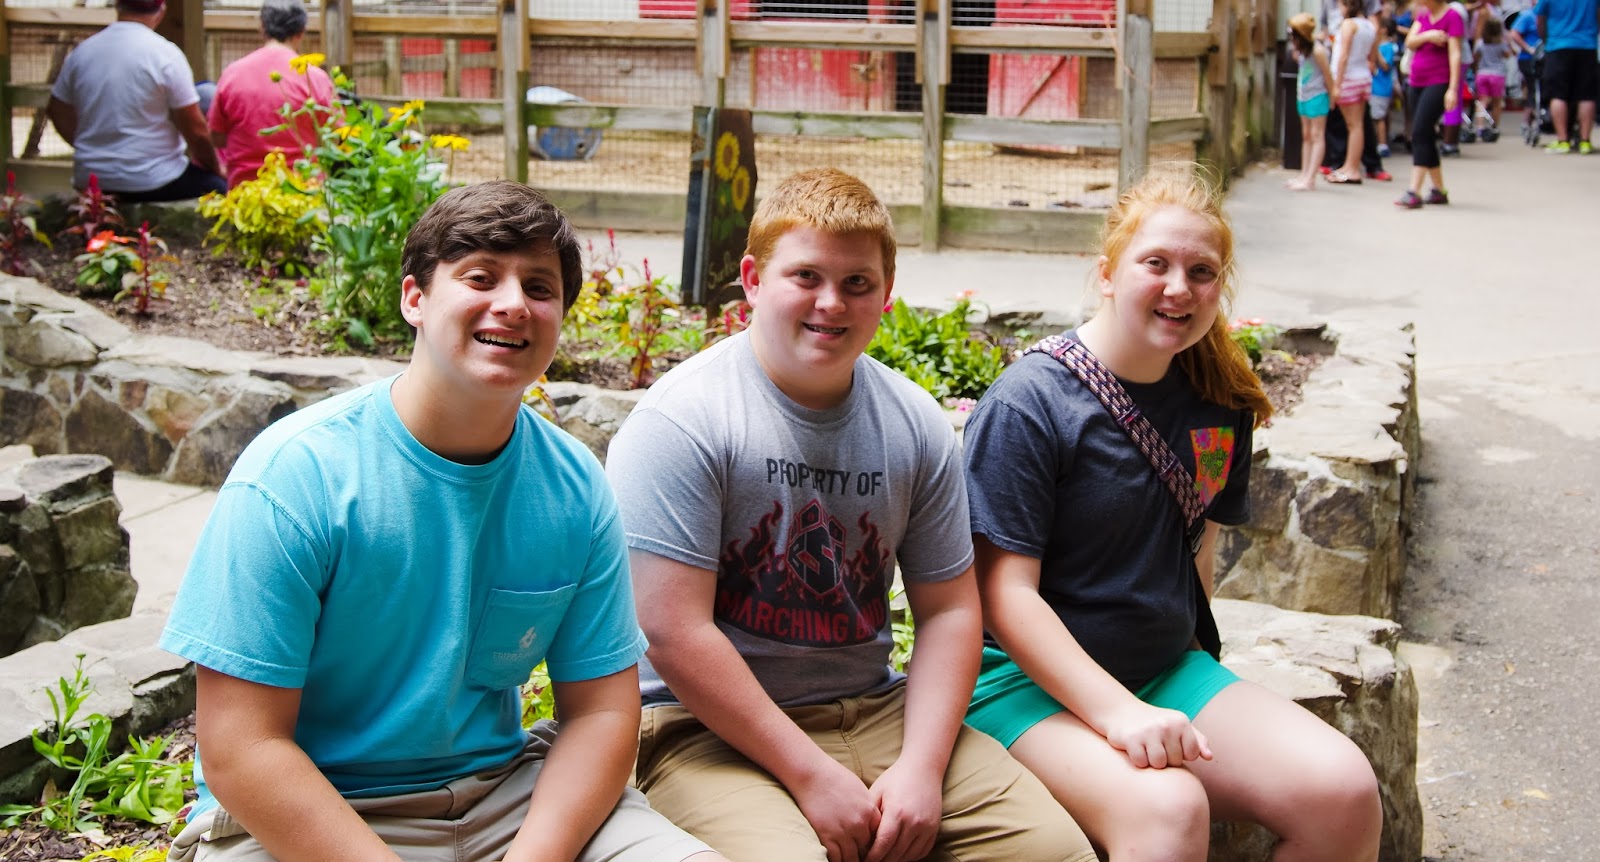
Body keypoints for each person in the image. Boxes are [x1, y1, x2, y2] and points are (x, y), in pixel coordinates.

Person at [159, 181, 724, 862]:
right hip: (313, 814)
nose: (514, 304)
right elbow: (241, 747)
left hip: (506, 799)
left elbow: (602, 711)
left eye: (539, 288)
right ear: (415, 299)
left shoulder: (575, 486)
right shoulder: (296, 475)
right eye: (480, 277)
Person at [605, 167, 1096, 862]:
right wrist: (811, 775)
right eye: (805, 276)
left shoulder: (914, 424)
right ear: (752, 279)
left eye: (857, 283)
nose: (831, 303)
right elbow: (671, 631)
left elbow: (951, 612)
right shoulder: (684, 420)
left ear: (886, 292)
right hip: (703, 729)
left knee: (1055, 852)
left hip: (876, 709)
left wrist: (922, 768)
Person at [961, 166, 1384, 862]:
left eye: (1201, 271)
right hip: (1021, 685)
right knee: (1169, 808)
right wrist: (1118, 713)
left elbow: (1198, 558)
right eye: (1155, 263)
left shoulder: (1220, 402)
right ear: (1107, 273)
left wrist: (1182, 685)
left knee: (1343, 793)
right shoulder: (1029, 403)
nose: (1179, 287)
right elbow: (1005, 597)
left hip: (1163, 673)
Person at [45, 0, 226, 202]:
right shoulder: (166, 54)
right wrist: (216, 168)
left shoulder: (82, 52)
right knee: (219, 188)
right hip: (154, 180)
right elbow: (195, 130)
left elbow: (56, 110)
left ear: (117, 6)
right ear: (161, 11)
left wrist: (89, 147)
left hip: (92, 178)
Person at [209, 0, 334, 187]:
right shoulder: (315, 78)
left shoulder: (232, 73)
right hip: (303, 191)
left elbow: (216, 136)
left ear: (262, 28)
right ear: (301, 31)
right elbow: (334, 137)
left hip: (245, 191)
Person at [1397, 0, 1463, 207]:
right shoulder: (1423, 16)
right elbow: (1410, 41)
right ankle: (1439, 190)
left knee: (1419, 132)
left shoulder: (1452, 16)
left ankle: (1413, 190)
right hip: (1416, 80)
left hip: (1439, 80)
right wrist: (1429, 36)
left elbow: (1455, 53)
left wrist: (1453, 88)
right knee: (1425, 133)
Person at [1535, 0, 1599, 152]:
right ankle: (1585, 141)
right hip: (1587, 45)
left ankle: (1563, 141)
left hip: (1558, 45)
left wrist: (1546, 39)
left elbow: (1540, 19)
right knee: (1586, 95)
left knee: (1558, 95)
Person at [1330, 0, 1382, 181]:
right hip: (1363, 77)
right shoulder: (1369, 25)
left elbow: (1343, 56)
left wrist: (1336, 85)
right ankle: (1349, 166)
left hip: (1348, 78)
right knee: (1357, 125)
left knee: (1353, 126)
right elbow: (1372, 56)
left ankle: (1351, 169)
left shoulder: (1348, 25)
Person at [1288, 14, 1334, 191]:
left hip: (1317, 96)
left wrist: (1333, 97)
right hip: (1303, 96)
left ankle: (1310, 179)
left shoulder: (1318, 51)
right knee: (1306, 135)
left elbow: (1328, 76)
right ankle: (1304, 174)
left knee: (1316, 135)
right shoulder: (1303, 50)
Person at [1474, 17, 1514, 137]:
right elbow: (1508, 55)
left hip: (1482, 73)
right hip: (1498, 74)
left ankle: (1480, 127)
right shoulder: (1501, 44)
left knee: (1482, 101)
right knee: (1497, 102)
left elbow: (1475, 57)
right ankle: (1494, 126)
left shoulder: (1480, 43)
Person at [1374, 27, 1402, 155]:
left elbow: (1386, 66)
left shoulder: (1388, 47)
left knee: (1379, 117)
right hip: (1376, 88)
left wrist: (1375, 52)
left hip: (1381, 88)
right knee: (1380, 116)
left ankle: (1383, 144)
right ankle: (1382, 142)